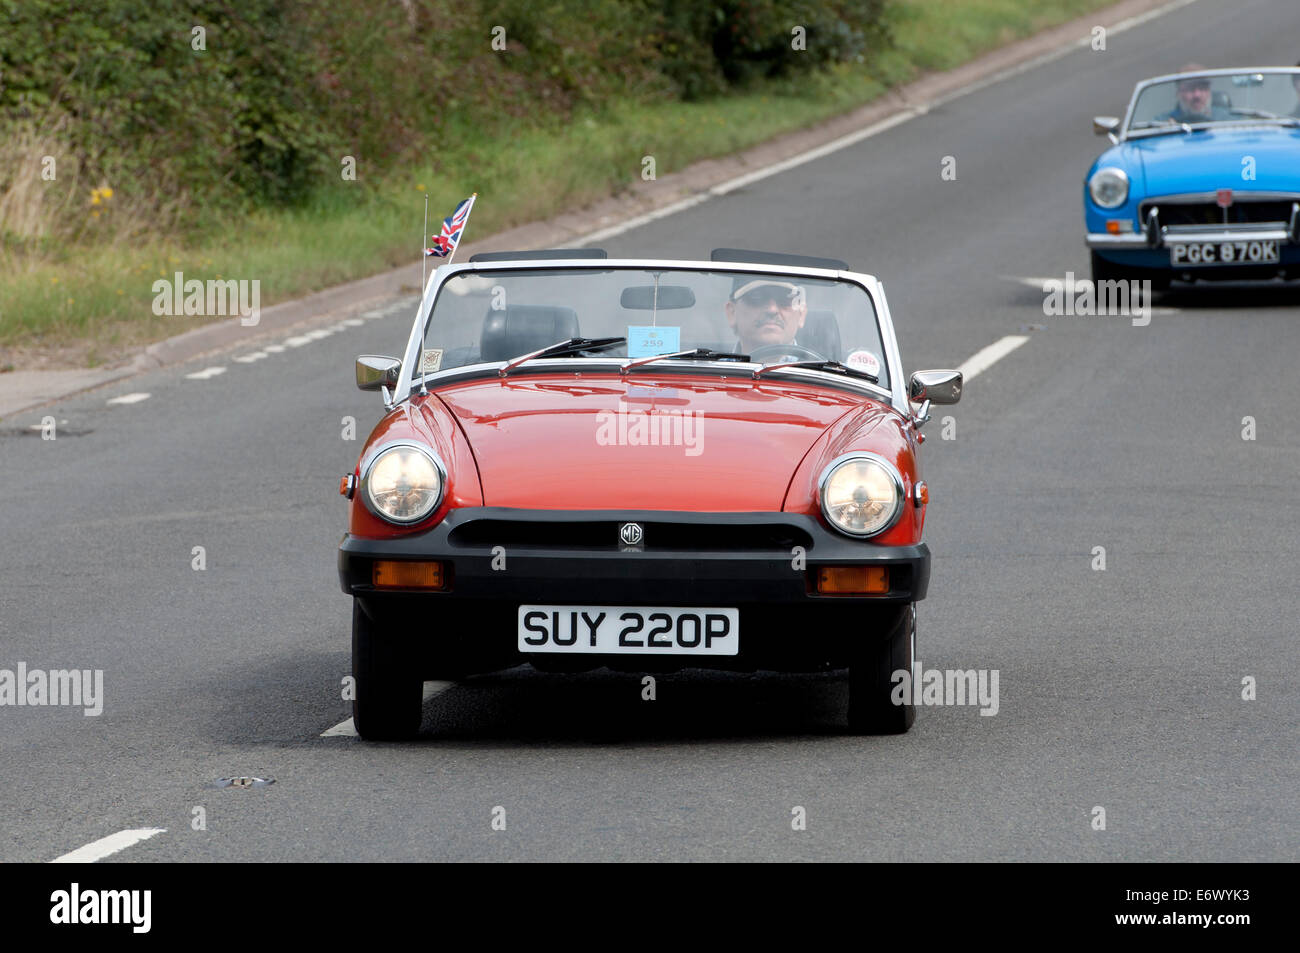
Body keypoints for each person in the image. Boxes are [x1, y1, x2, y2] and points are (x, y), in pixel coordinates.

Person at [725, 277, 807, 357]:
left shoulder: (817, 369)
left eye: (785, 299)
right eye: (756, 298)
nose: (772, 310)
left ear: (801, 314)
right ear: (732, 312)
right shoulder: (713, 368)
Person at [1156, 65, 1232, 123]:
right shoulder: (1163, 121)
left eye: (1202, 88)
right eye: (1190, 89)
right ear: (1179, 93)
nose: (1197, 95)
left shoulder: (1224, 118)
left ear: (1209, 92)